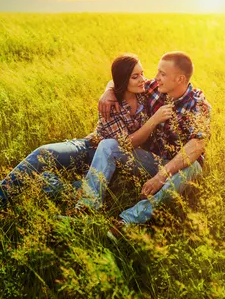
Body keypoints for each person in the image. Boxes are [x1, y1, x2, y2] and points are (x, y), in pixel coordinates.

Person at [0, 54, 172, 226]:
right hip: (91, 146)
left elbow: (168, 83)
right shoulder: (111, 106)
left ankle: (66, 194)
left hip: (114, 160)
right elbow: (125, 142)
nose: (143, 79)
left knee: (63, 186)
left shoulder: (146, 90)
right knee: (43, 154)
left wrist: (108, 88)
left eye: (142, 74)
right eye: (135, 76)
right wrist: (111, 93)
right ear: (123, 81)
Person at [76, 51, 211, 227]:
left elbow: (197, 145)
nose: (155, 78)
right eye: (157, 72)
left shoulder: (199, 105)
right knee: (108, 145)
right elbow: (124, 80)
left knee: (192, 167)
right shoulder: (156, 88)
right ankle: (86, 208)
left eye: (162, 74)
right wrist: (108, 90)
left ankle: (128, 221)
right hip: (152, 161)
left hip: (181, 167)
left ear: (179, 79)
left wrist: (161, 176)